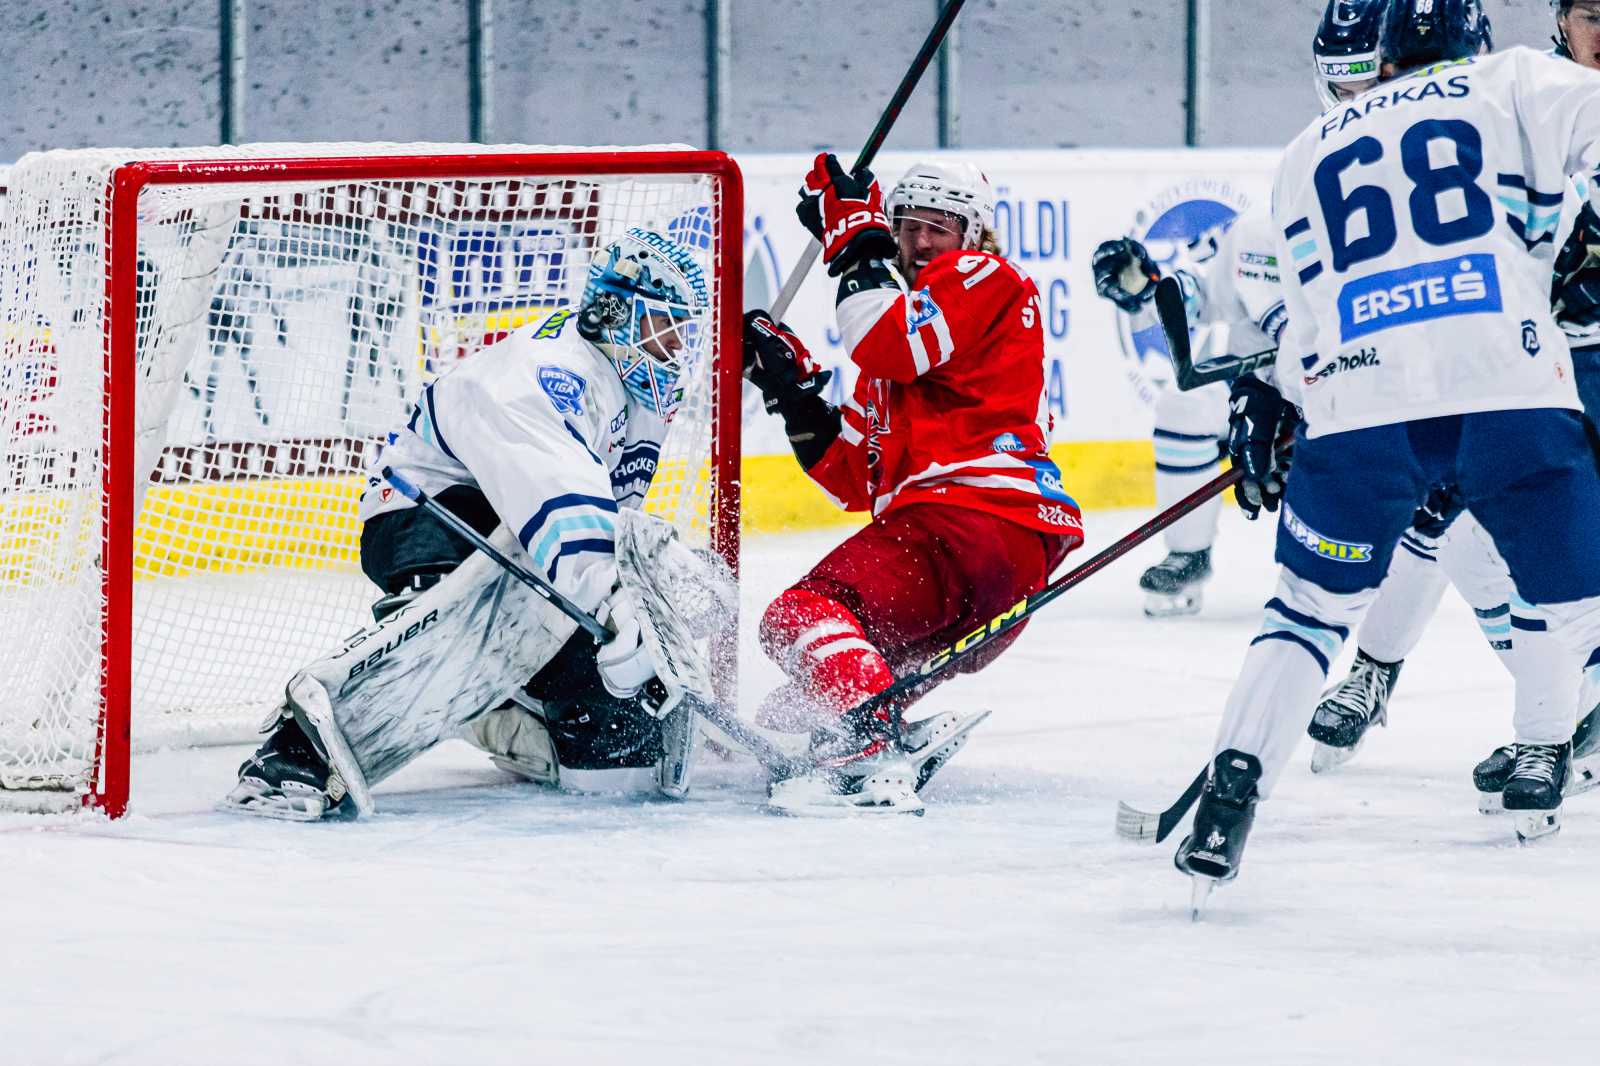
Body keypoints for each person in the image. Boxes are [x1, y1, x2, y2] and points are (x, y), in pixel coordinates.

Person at [1174, 0, 1600, 901]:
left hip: (1360, 401)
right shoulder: (1515, 77)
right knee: (1573, 604)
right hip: (1507, 379)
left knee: (1304, 609)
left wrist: (1273, 399)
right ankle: (1545, 749)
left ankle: (1233, 787)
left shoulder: (1306, 151)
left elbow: (1305, 315)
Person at [222, 227, 716, 820]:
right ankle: (295, 749)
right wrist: (616, 605)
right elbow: (563, 514)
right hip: (431, 515)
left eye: (684, 332)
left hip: (536, 537)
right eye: (665, 327)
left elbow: (608, 521)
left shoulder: (637, 384)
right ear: (616, 311)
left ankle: (490, 707)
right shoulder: (539, 377)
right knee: (475, 624)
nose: (674, 347)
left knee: (621, 758)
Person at [1302, 0, 1600, 799]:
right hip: (1527, 366)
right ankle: (1559, 710)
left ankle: (1554, 712)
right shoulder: (1521, 95)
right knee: (1460, 528)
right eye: (1591, 15)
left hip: (1560, 370)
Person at [741, 156, 1082, 815]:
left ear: (975, 232)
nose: (921, 241)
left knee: (798, 617)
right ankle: (870, 730)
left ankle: (870, 745)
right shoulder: (903, 359)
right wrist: (790, 388)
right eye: (906, 225)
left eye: (940, 225)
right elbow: (850, 477)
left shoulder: (983, 276)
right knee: (798, 705)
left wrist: (855, 234)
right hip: (990, 556)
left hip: (969, 523)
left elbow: (881, 336)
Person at [1087, 0, 1384, 618]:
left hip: (1371, 401)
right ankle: (1189, 554)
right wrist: (1150, 289)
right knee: (1186, 402)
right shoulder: (1269, 217)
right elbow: (1206, 289)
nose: (1354, 101)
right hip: (1275, 394)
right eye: (1344, 85)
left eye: (1370, 83)